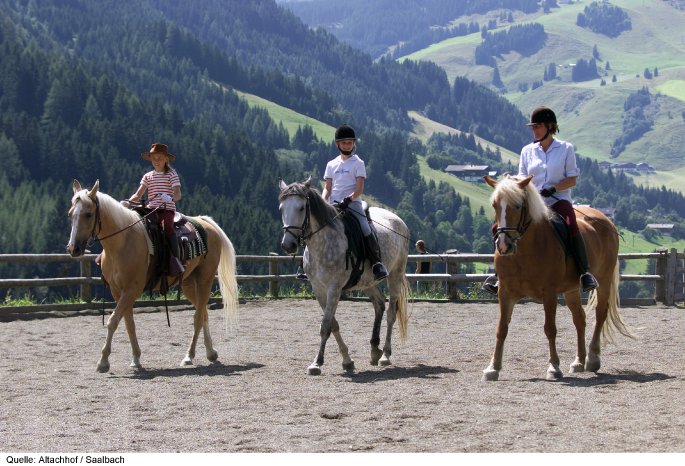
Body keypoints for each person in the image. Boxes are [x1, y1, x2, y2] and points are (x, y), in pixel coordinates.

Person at [482, 106, 599, 295]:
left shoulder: (565, 149)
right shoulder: (527, 151)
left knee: (570, 223)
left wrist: (554, 188)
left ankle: (584, 272)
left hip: (557, 199)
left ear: (550, 126)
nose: (534, 130)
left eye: (537, 126)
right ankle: (499, 274)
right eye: (532, 127)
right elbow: (521, 177)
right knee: (498, 226)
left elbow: (572, 179)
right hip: (532, 203)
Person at [321, 124, 388, 281]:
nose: (347, 145)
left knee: (365, 228)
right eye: (344, 143)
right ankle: (304, 265)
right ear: (338, 144)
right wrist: (324, 201)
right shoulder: (331, 164)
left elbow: (359, 189)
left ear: (354, 144)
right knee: (315, 227)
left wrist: (349, 199)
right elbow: (327, 187)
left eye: (350, 143)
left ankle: (376, 263)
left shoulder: (358, 163)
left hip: (352, 203)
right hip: (333, 205)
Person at [122, 143, 184, 273]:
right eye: (154, 158)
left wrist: (170, 197)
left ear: (166, 159)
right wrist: (128, 202)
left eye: (160, 158)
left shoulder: (172, 174)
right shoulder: (148, 176)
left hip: (167, 209)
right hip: (151, 209)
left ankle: (176, 259)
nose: (156, 161)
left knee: (167, 227)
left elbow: (178, 194)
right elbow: (138, 194)